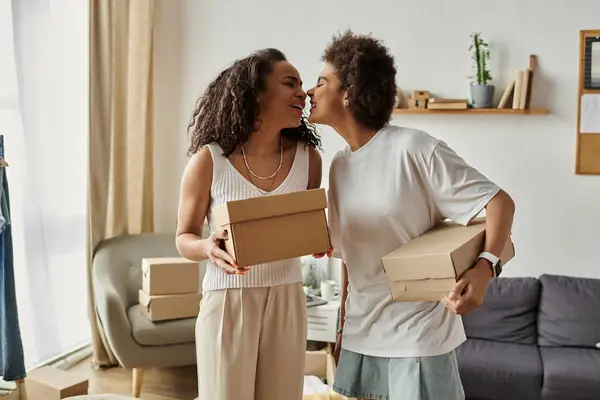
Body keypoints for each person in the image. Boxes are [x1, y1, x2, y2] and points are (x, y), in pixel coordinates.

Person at [308, 31, 515, 400]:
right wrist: (342, 325)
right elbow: (351, 259)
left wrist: (485, 268)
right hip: (360, 334)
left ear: (349, 91)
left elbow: (499, 202)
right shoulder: (338, 165)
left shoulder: (415, 148)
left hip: (417, 338)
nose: (311, 91)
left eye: (322, 81)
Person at [176, 48, 322, 400]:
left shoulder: (309, 160)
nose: (303, 93)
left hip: (288, 295)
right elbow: (184, 237)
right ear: (255, 93)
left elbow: (309, 230)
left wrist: (320, 242)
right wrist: (207, 247)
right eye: (291, 84)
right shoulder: (209, 160)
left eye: (303, 85)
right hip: (227, 299)